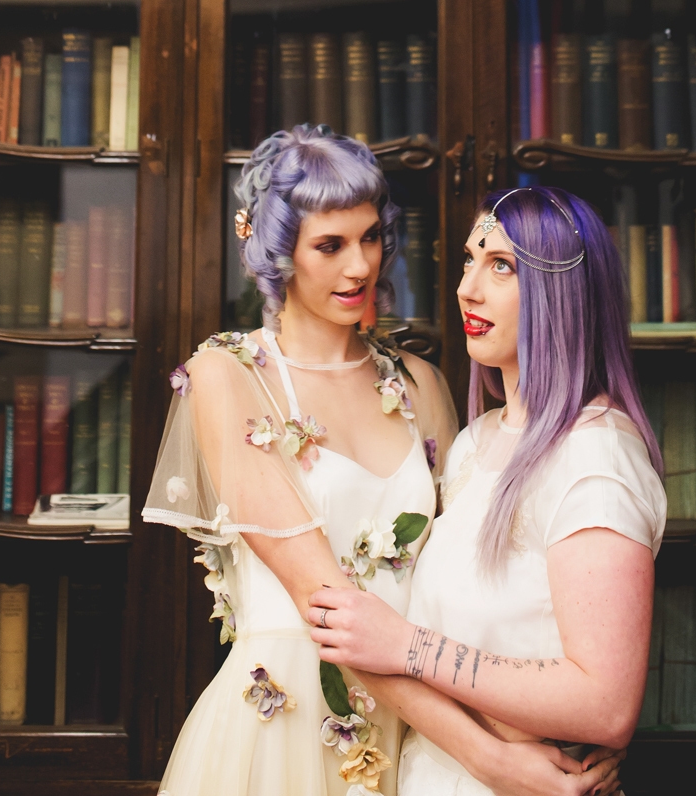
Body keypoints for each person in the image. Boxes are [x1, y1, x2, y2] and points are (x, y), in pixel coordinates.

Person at [306, 186, 667, 796]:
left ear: (565, 293)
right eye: (471, 260)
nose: (467, 288)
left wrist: (407, 646)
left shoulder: (596, 457)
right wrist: (486, 757)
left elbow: (605, 706)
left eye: (501, 266)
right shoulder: (475, 444)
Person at [143, 124, 466, 795]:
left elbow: (465, 587)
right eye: (331, 245)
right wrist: (502, 761)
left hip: (421, 737)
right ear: (275, 249)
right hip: (281, 733)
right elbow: (327, 605)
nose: (361, 266)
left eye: (371, 236)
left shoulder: (420, 385)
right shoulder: (226, 375)